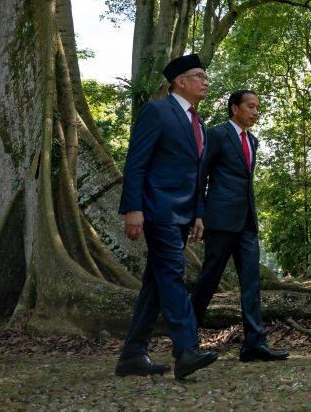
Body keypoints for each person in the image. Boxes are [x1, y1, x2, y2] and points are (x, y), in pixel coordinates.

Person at [114, 54, 219, 380]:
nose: (205, 81)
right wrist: (134, 209)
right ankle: (186, 350)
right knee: (172, 273)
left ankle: (132, 355)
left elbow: (198, 174)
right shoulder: (157, 111)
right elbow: (136, 163)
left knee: (156, 284)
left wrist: (199, 214)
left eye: (205, 76)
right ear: (180, 82)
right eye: (198, 76)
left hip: (185, 214)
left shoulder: (198, 123)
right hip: (158, 210)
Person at [191, 90, 288, 362]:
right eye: (250, 106)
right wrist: (198, 213)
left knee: (251, 282)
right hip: (219, 220)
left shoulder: (253, 140)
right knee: (209, 280)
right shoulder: (217, 134)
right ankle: (186, 339)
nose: (255, 111)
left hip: (247, 222)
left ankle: (254, 344)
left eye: (258, 107)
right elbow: (200, 176)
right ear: (235, 108)